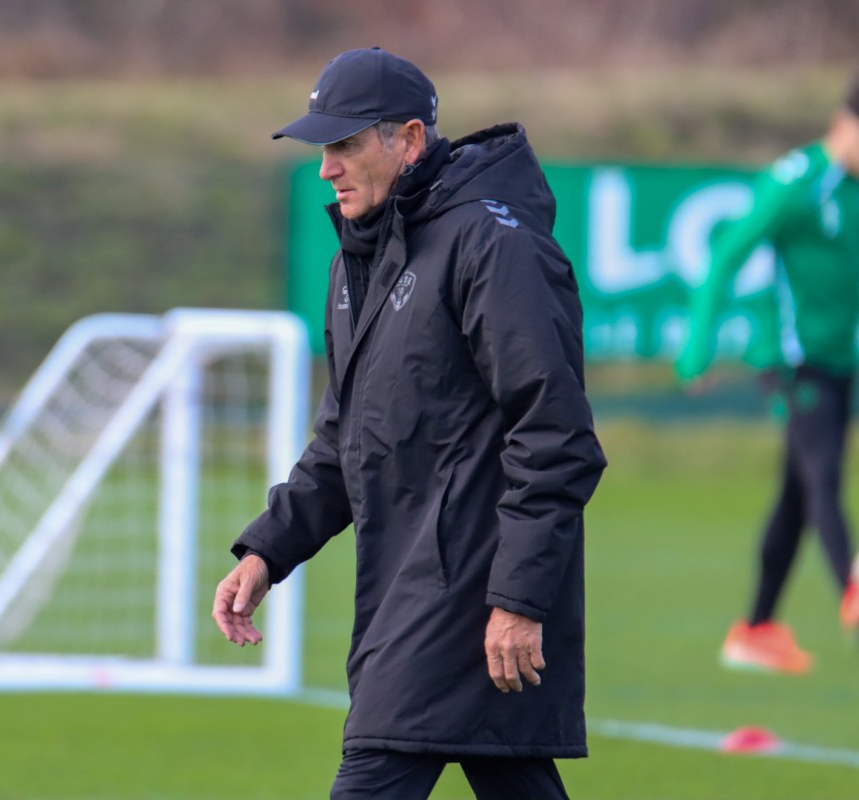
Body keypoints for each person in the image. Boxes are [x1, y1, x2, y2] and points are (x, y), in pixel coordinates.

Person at [211, 47, 606, 800]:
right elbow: (345, 438)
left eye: (345, 144)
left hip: (472, 589)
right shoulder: (359, 257)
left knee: (376, 766)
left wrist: (519, 600)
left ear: (411, 140)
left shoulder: (494, 245)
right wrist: (266, 551)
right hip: (410, 585)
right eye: (321, 147)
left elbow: (555, 436)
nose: (326, 168)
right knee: (508, 770)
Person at [675, 70, 859, 674]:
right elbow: (726, 253)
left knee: (797, 494)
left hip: (841, 361)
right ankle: (851, 584)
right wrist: (698, 346)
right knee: (822, 473)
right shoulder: (797, 181)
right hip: (794, 362)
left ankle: (755, 629)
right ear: (844, 123)